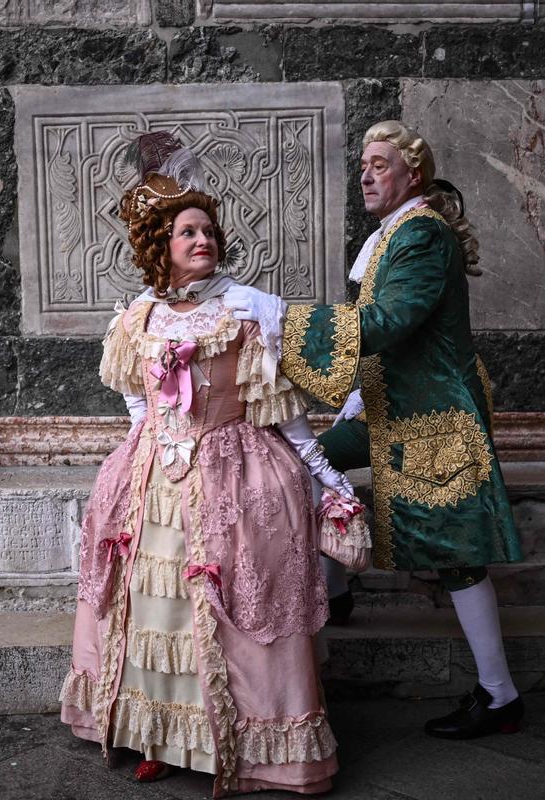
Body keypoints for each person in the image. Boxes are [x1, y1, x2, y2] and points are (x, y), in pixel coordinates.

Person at [61, 132, 350, 795]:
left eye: (209, 231)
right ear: (161, 246)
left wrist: (325, 478)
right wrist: (149, 450)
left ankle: (239, 745)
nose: (203, 241)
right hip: (155, 484)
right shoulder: (138, 317)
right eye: (189, 232)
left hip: (233, 478)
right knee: (156, 612)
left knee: (224, 611)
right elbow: (139, 400)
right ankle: (160, 736)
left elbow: (283, 413)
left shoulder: (243, 313)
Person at [225, 120, 526, 739]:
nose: (366, 173)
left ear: (412, 174)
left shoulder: (421, 236)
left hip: (436, 417)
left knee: (458, 556)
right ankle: (336, 589)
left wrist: (281, 315)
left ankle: (500, 696)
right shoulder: (393, 236)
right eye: (363, 164)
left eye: (380, 164)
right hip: (390, 406)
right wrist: (359, 390)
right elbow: (384, 334)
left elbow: (389, 322)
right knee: (297, 461)